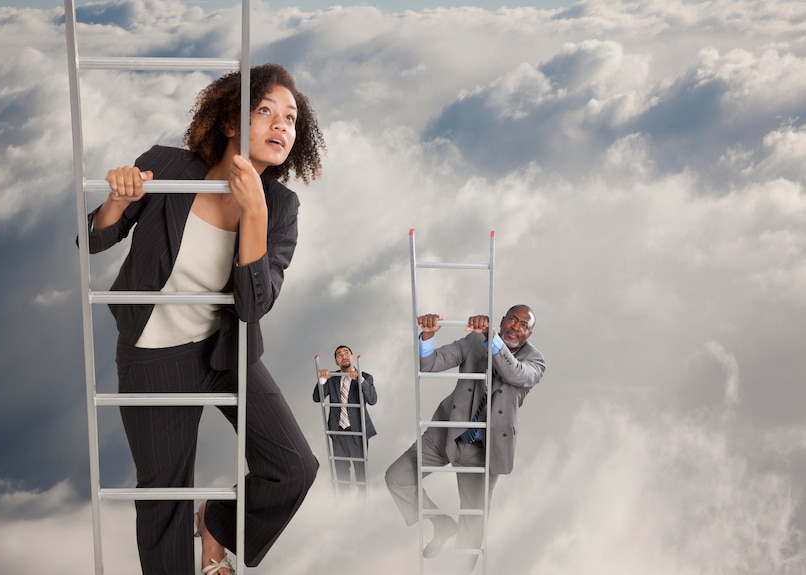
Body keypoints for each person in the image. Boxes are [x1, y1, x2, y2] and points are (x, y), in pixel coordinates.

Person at [86, 63, 325, 575]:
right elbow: (91, 239)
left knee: (292, 468)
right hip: (154, 355)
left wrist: (255, 214)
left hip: (225, 349)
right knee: (164, 495)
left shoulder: (281, 206)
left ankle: (217, 522)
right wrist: (115, 200)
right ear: (230, 122)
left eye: (291, 120)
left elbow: (253, 306)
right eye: (266, 112)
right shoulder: (165, 165)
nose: (282, 126)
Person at [384, 305, 546, 573]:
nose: (516, 328)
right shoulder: (473, 341)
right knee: (397, 476)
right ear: (503, 320)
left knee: (473, 520)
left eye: (524, 325)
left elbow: (515, 373)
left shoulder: (535, 361)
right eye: (513, 320)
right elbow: (430, 363)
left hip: (484, 449)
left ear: (530, 333)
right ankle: (441, 523)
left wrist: (492, 339)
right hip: (447, 430)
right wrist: (427, 335)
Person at [313, 345, 377, 493]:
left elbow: (373, 400)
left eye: (346, 353)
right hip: (338, 433)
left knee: (362, 474)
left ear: (352, 357)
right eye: (339, 355)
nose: (343, 356)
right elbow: (317, 398)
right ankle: (344, 507)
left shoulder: (366, 377)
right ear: (337, 362)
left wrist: (359, 380)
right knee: (342, 475)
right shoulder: (332, 378)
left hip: (358, 432)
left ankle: (363, 506)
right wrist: (322, 380)